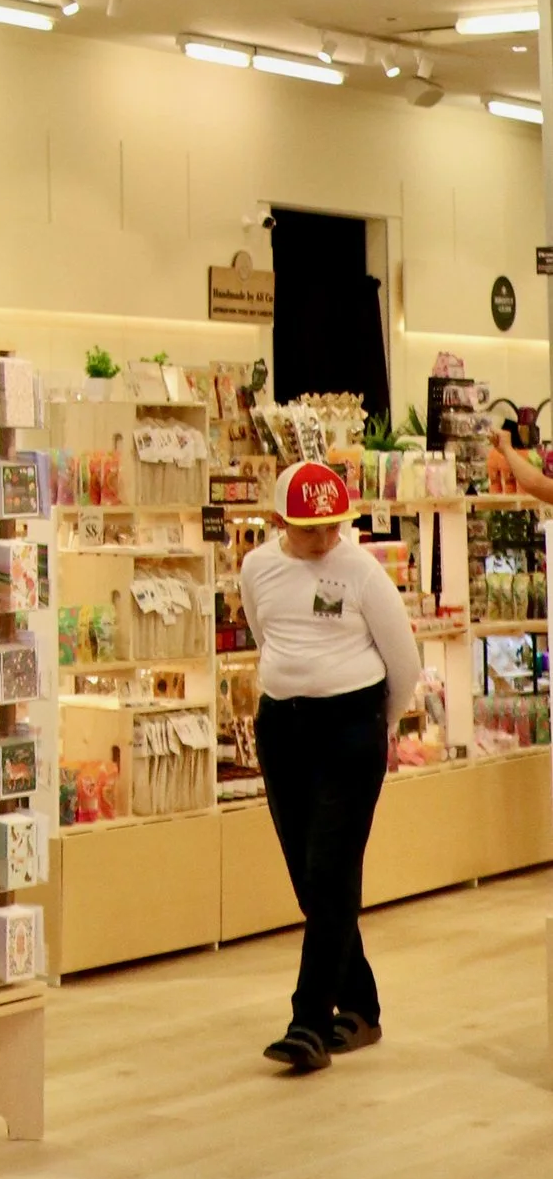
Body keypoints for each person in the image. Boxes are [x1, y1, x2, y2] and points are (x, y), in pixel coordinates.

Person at [240, 457, 422, 1073]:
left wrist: (379, 725)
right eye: (309, 529)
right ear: (278, 521)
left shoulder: (362, 572)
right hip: (283, 730)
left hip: (351, 729)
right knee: (310, 878)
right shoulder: (257, 567)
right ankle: (363, 1005)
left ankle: (309, 1021)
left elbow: (405, 663)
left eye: (333, 528)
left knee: (333, 868)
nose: (324, 541)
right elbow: (265, 635)